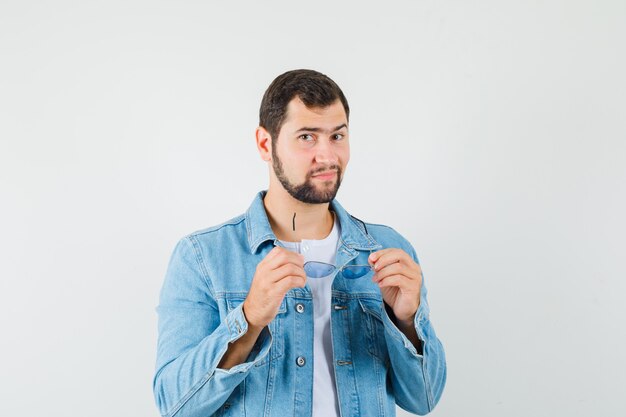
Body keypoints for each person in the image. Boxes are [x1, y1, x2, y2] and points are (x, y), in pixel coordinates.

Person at [153, 69, 446, 417]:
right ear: (265, 144)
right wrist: (248, 320)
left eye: (337, 136)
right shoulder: (203, 257)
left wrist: (408, 322)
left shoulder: (388, 250)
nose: (326, 156)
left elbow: (423, 399)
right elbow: (174, 405)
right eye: (307, 136)